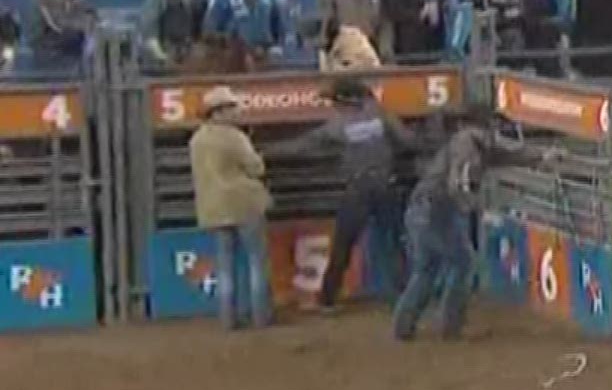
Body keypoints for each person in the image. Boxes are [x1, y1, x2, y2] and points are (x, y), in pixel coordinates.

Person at [392, 108, 555, 341]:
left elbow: (505, 155)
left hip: (422, 209)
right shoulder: (468, 144)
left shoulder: (472, 143)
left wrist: (540, 157)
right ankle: (451, 326)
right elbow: (459, 183)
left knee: (426, 269)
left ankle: (404, 327)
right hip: (437, 212)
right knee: (462, 263)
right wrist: (477, 207)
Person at [276, 78, 420, 309]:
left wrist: (267, 151)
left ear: (343, 101)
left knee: (343, 244)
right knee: (393, 243)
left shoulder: (338, 125)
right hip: (386, 185)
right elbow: (408, 141)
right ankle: (406, 295)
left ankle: (328, 299)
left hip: (358, 189)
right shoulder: (382, 116)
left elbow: (304, 144)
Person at [189, 86, 273, 329]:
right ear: (220, 111)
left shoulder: (197, 140)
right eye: (231, 107)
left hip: (213, 206)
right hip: (244, 203)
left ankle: (228, 319)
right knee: (256, 261)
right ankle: (261, 317)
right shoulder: (234, 136)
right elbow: (256, 168)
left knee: (224, 265)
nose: (236, 111)